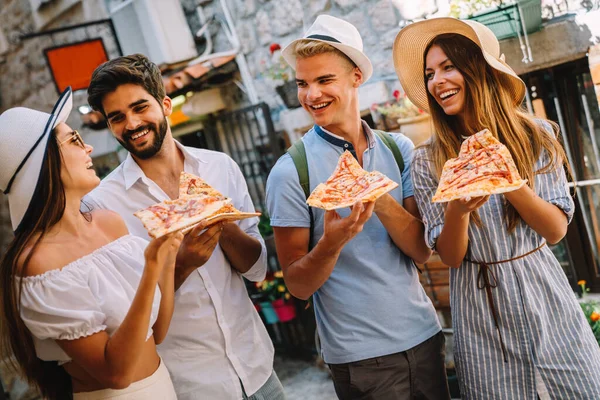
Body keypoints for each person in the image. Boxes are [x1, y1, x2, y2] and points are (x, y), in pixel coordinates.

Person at [393, 17, 600, 399]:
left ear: (480, 69)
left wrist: (506, 178)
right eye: (429, 73)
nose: (437, 81)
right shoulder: (428, 161)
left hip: (545, 294)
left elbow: (555, 230)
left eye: (448, 67)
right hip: (480, 307)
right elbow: (452, 257)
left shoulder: (538, 136)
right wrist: (459, 208)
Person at [266, 15, 449, 399]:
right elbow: (298, 285)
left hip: (425, 337)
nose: (311, 95)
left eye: (324, 80)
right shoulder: (290, 172)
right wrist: (332, 242)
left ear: (356, 77)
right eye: (302, 83)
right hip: (361, 360)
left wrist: (374, 193)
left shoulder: (398, 150)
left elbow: (420, 249)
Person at [84, 54, 285, 400]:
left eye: (139, 107)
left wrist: (222, 221)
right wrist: (184, 263)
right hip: (193, 385)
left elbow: (256, 269)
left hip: (258, 368)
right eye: (117, 117)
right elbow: (129, 317)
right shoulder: (102, 205)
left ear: (164, 104)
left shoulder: (219, 167)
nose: (131, 124)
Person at [0, 87, 183, 400]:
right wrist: (152, 267)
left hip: (165, 387)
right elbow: (116, 373)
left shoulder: (109, 222)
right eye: (73, 140)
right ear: (44, 163)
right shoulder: (37, 263)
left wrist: (167, 257)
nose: (87, 148)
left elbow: (158, 331)